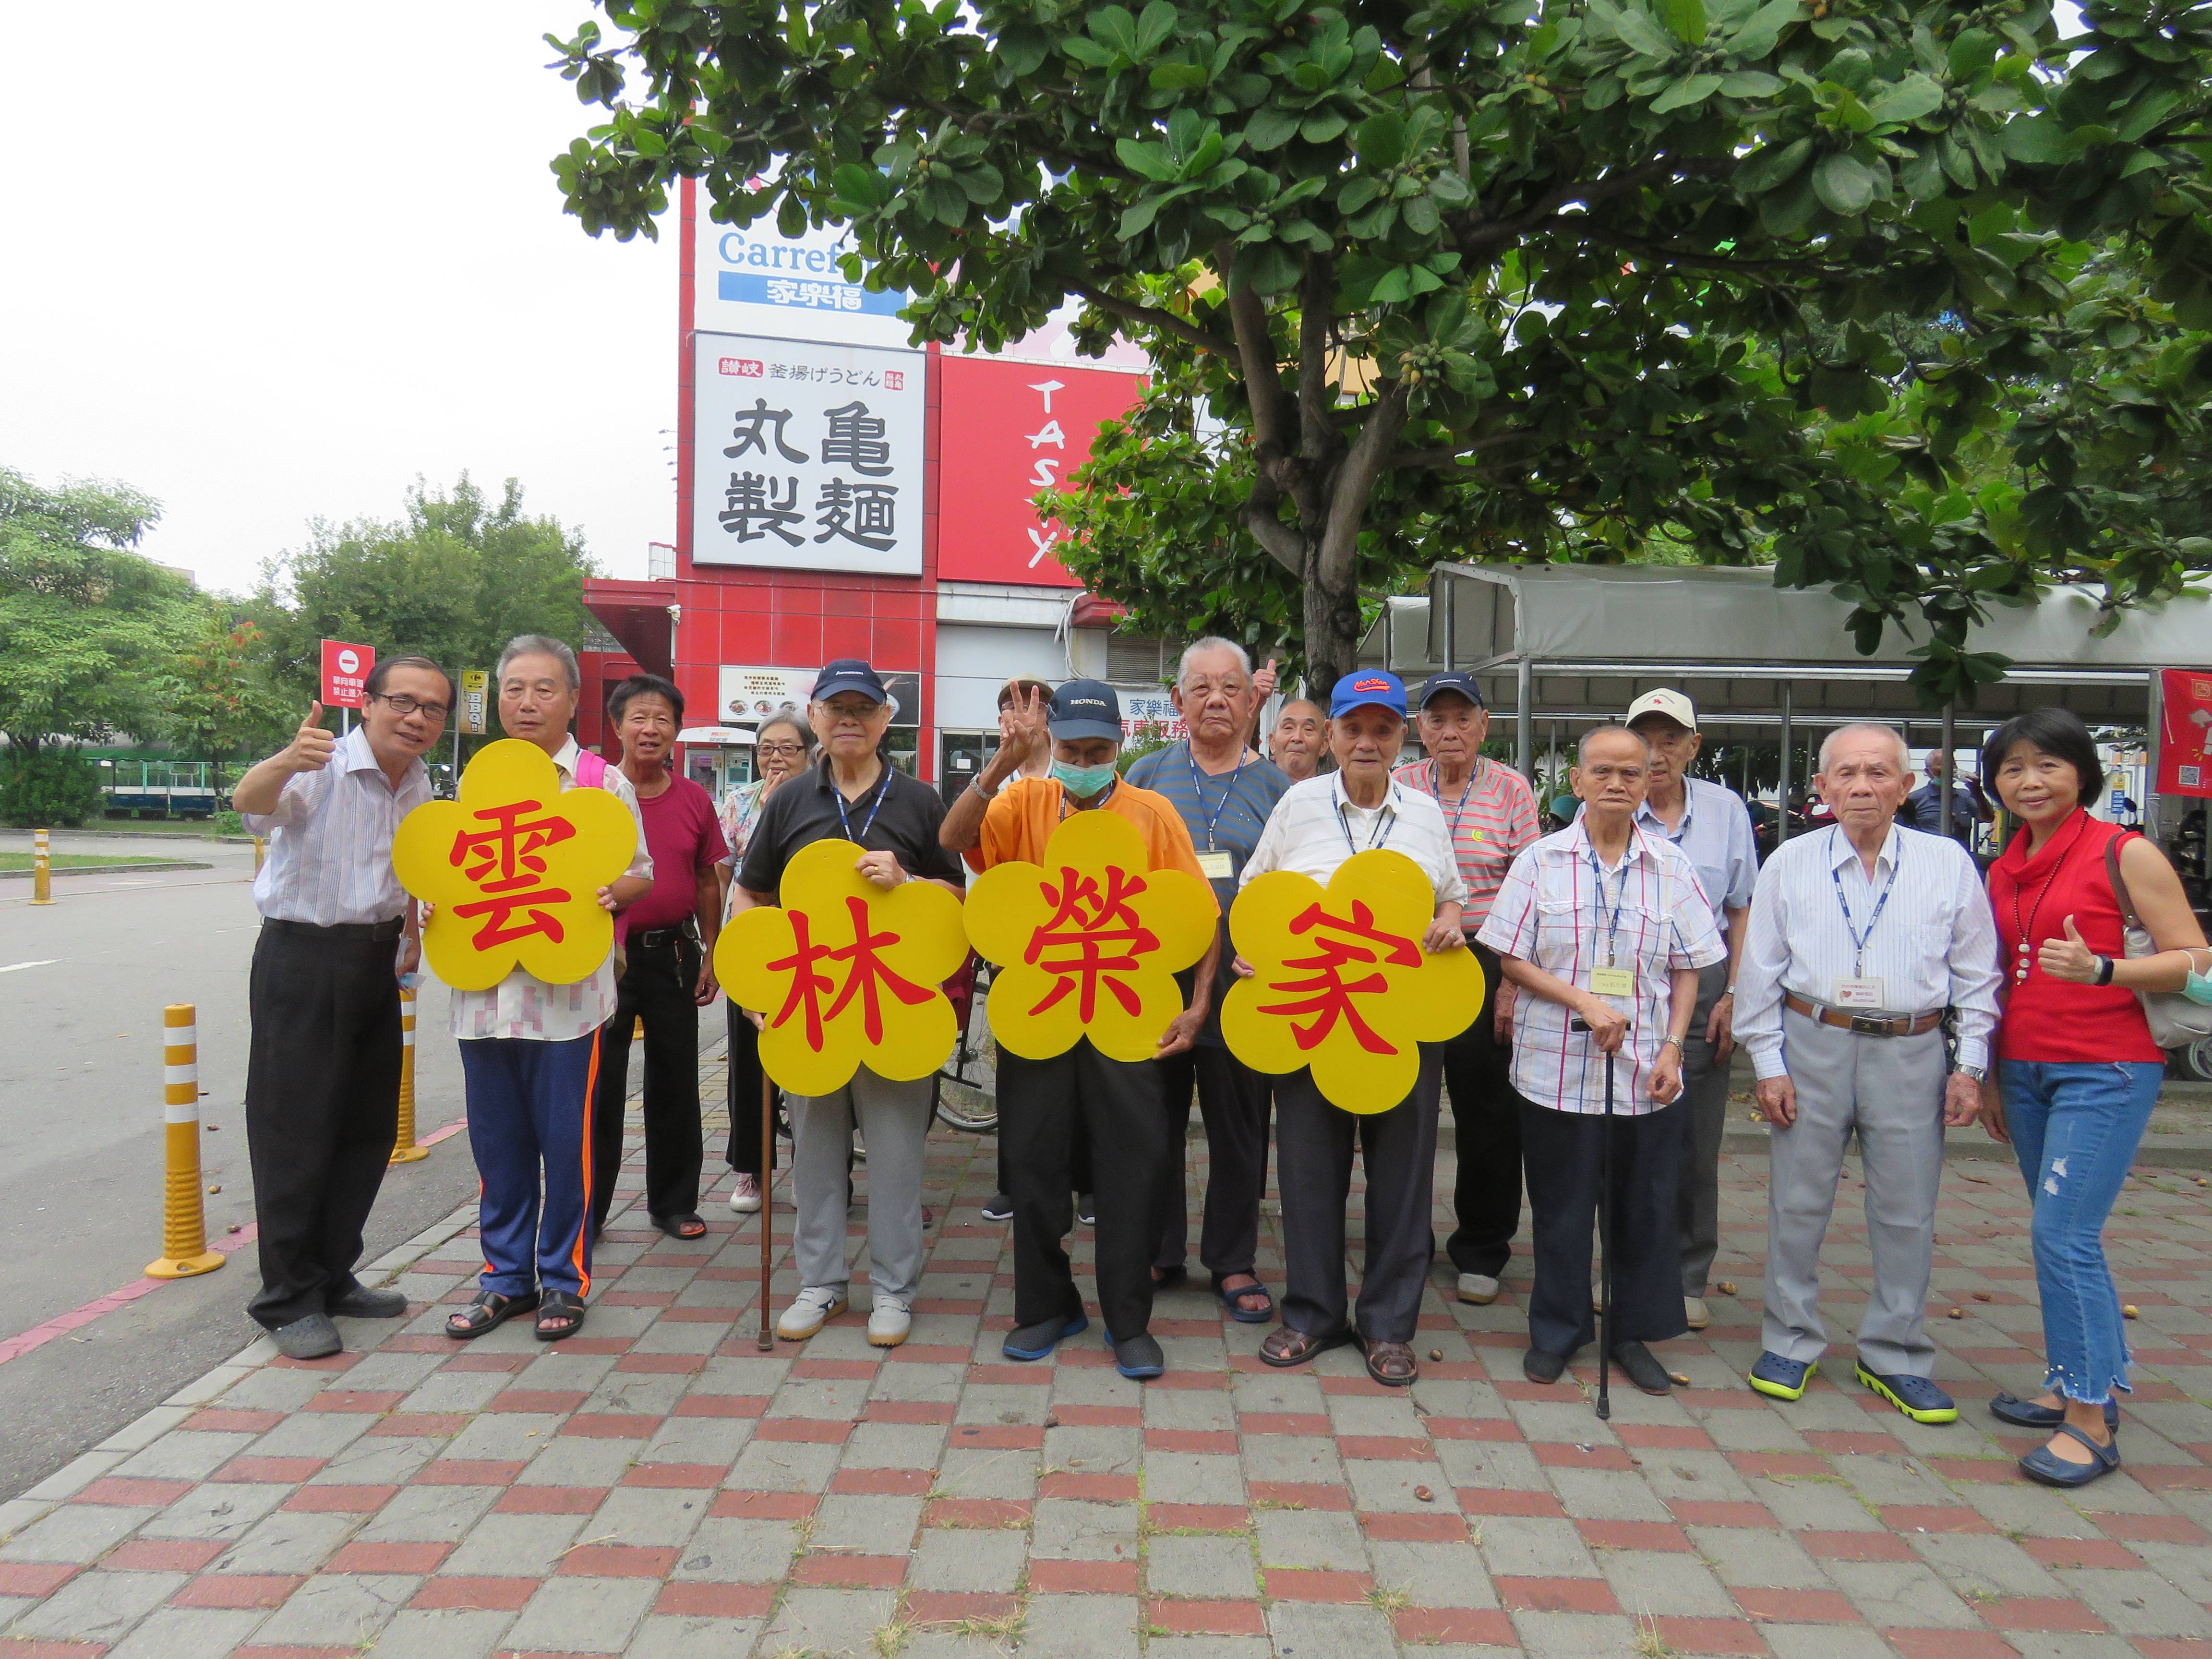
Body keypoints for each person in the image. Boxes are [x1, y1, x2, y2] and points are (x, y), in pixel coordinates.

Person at [942, 678, 1214, 1380]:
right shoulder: (1025, 801)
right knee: (1034, 1166)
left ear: (1121, 745)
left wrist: (1198, 1005)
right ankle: (1047, 1307)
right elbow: (953, 838)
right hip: (1040, 1011)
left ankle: (1128, 1322)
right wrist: (1005, 761)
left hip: (1128, 1017)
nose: (1084, 761)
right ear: (1052, 744)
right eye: (1071, 748)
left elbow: (1197, 915)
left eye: (1098, 750)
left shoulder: (1152, 815)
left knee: (1133, 1169)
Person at [1732, 723, 2000, 1422]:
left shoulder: (1946, 863)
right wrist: (1768, 1065)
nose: (1861, 786)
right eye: (1845, 774)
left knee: (1907, 1209)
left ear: (1906, 786)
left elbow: (1977, 975)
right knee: (1797, 1200)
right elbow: (1759, 972)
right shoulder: (1790, 861)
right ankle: (1789, 1339)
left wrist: (1969, 1065)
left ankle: (1896, 1353)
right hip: (1811, 1040)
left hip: (1912, 1050)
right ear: (1820, 788)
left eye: (1879, 773)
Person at [1980, 707, 2208, 1486]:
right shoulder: (2005, 862)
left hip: (2105, 1069)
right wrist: (1987, 1073)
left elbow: (2196, 962)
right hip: (2026, 1070)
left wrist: (2105, 971)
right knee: (2059, 1234)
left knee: (2061, 1234)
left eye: (2046, 764)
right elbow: (2003, 978)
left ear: (2081, 771)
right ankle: (2078, 1379)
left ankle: (2087, 1421)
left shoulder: (2126, 853)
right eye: (2012, 767)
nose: (2029, 780)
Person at [1238, 670, 1468, 1388]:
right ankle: (1311, 1313)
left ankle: (1389, 1326)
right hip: (1314, 1016)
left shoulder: (1426, 813)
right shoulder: (1299, 804)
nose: (1367, 742)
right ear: (1332, 735)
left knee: (1403, 1177)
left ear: (1403, 737)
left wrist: (1450, 925)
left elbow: (1453, 899)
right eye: (1353, 729)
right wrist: (1252, 950)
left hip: (1402, 1018)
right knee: (1308, 1169)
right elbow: (1255, 890)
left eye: (1383, 729)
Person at [1480, 725, 1724, 1396]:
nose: (1616, 784)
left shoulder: (1672, 866)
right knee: (1560, 1209)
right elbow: (1511, 958)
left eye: (1631, 773)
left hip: (1646, 1073)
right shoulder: (1540, 860)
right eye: (1603, 772)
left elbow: (1688, 968)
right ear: (1578, 782)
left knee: (1639, 1213)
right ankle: (1556, 1331)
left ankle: (1630, 1334)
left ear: (1648, 784)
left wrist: (1675, 1045)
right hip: (1554, 1070)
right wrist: (1585, 1003)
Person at [730, 662, 966, 1349]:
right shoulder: (791, 800)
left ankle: (894, 1290)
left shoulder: (921, 801)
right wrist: (756, 986)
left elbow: (959, 903)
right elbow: (751, 894)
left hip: (893, 1006)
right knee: (815, 1150)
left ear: (887, 719)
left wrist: (911, 878)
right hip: (811, 1005)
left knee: (896, 1155)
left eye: (865, 707)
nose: (850, 719)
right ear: (817, 717)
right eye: (837, 708)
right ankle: (821, 1283)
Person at [232, 660, 448, 1359]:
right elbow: (250, 804)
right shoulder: (321, 764)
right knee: (295, 1131)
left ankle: (331, 1274)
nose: (416, 718)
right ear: (369, 701)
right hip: (304, 959)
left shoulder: (420, 785)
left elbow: (411, 877)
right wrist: (285, 759)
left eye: (433, 709)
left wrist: (412, 938)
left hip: (376, 964)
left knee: (364, 1129)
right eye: (403, 703)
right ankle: (286, 1296)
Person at [444, 636, 652, 1344]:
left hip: (567, 1005)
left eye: (543, 689)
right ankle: (505, 1280)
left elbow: (641, 873)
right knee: (497, 1148)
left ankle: (565, 1280)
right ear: (496, 697)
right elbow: (442, 875)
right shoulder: (474, 783)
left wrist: (609, 893)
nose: (526, 702)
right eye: (513, 689)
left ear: (572, 699)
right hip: (483, 997)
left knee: (567, 1147)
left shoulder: (602, 783)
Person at [1123, 638, 1291, 1322]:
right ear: (1178, 703)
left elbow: (1294, 887)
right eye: (1202, 689)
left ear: (1254, 700)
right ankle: (1160, 1247)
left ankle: (1232, 1259)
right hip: (1158, 979)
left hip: (1243, 982)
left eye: (1231, 688)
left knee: (1239, 1126)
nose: (1217, 700)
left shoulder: (1281, 789)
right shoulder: (1145, 776)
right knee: (1151, 1120)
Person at [1390, 671, 1539, 1309]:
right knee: (1402, 1106)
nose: (1449, 731)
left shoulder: (1510, 790)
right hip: (1402, 961)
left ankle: (1482, 1247)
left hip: (1483, 957)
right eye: (1436, 720)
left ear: (1484, 725)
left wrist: (1510, 978)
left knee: (1488, 1112)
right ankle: (1405, 1240)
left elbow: (1530, 888)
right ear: (1418, 729)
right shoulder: (1400, 785)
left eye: (1462, 719)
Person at [1622, 689, 1758, 1332]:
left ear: (1693, 746)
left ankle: (1687, 1272)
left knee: (1694, 1140)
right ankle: (1620, 1265)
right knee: (1621, 1131)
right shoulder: (1615, 804)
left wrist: (1734, 993)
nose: (1657, 752)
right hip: (1627, 981)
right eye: (1644, 738)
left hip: (1702, 986)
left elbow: (1743, 907)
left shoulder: (1726, 809)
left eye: (1671, 738)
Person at [587, 673, 728, 1243]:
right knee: (601, 1086)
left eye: (663, 720)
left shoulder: (693, 798)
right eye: (638, 718)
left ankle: (673, 1204)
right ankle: (589, 1209)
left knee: (676, 1081)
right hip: (604, 958)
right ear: (617, 726)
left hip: (672, 952)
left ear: (676, 732)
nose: (651, 729)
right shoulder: (591, 795)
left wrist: (713, 953)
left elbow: (707, 878)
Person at [976, 675, 1070, 1227]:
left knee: (1083, 1066)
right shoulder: (998, 790)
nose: (1020, 719)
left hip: (1082, 943)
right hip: (1017, 947)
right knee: (1017, 1071)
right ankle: (1014, 1181)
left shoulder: (1081, 776)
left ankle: (1084, 1180)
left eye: (1031, 708)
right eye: (1008, 710)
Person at [718, 710, 811, 1214]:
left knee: (811, 1057)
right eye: (766, 749)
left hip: (813, 948)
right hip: (754, 946)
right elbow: (727, 877)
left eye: (787, 749)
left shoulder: (825, 801)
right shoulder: (737, 803)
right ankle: (751, 1169)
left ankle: (817, 1166)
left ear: (809, 752)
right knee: (749, 1062)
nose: (775, 758)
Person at [1904, 751, 1993, 848]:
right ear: (1928, 772)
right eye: (1942, 767)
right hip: (1927, 859)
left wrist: (1977, 792)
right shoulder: (1914, 800)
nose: (1949, 771)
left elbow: (1988, 818)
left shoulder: (1965, 796)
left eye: (1953, 764)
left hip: (1959, 858)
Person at [1267, 697, 1327, 782]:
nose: (1297, 738)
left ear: (1323, 746)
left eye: (1308, 729)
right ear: (1272, 742)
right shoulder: (1254, 792)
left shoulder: (1333, 794)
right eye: (1288, 728)